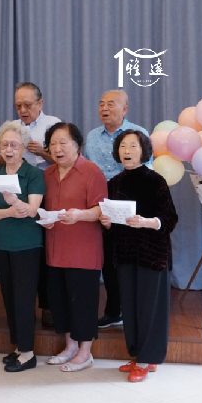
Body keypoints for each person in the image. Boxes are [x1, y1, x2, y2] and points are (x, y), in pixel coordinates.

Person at [99, 130, 177, 382]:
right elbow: (111, 226)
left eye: (133, 146)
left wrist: (146, 222)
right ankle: (137, 356)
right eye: (123, 146)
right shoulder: (114, 183)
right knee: (130, 307)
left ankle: (146, 360)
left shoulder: (155, 180)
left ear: (143, 151)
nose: (127, 151)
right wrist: (107, 223)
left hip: (152, 254)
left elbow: (170, 218)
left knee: (149, 308)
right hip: (125, 255)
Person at [42, 122, 107, 372]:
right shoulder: (47, 174)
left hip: (83, 251)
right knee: (61, 302)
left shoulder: (91, 171)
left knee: (83, 303)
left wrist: (80, 215)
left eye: (63, 143)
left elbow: (101, 210)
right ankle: (70, 347)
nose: (57, 148)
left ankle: (85, 352)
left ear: (77, 145)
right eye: (53, 144)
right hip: (55, 249)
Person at [85, 90, 152, 329]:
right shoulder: (92, 136)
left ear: (125, 109)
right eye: (101, 104)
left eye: (111, 104)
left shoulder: (138, 133)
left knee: (133, 259)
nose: (105, 108)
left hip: (132, 202)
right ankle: (114, 311)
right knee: (109, 260)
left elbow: (148, 170)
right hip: (103, 204)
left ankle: (138, 312)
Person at [0, 121, 44, 372]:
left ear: (23, 148)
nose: (9, 149)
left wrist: (14, 203)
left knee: (24, 298)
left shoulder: (33, 174)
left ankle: (29, 353)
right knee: (9, 297)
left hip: (27, 245)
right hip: (3, 244)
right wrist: (10, 211)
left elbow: (32, 210)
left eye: (14, 145)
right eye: (5, 144)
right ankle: (19, 347)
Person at [12, 81, 61, 327]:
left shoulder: (54, 125)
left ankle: (49, 305)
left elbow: (66, 159)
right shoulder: (12, 128)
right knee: (29, 252)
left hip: (50, 191)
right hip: (20, 192)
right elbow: (0, 159)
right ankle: (24, 308)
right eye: (18, 106)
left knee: (49, 249)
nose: (23, 110)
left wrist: (42, 152)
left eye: (28, 105)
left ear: (40, 103)